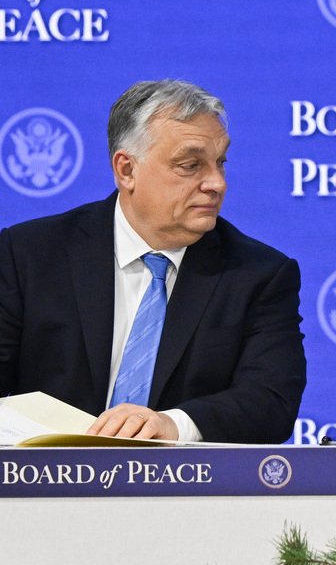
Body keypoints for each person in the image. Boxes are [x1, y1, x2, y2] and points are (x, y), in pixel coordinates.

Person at [0, 79, 306, 443]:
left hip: (183, 492)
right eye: (190, 165)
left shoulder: (259, 274)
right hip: (46, 487)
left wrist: (173, 425)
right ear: (126, 170)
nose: (217, 183)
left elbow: (271, 402)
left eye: (220, 162)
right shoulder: (29, 255)